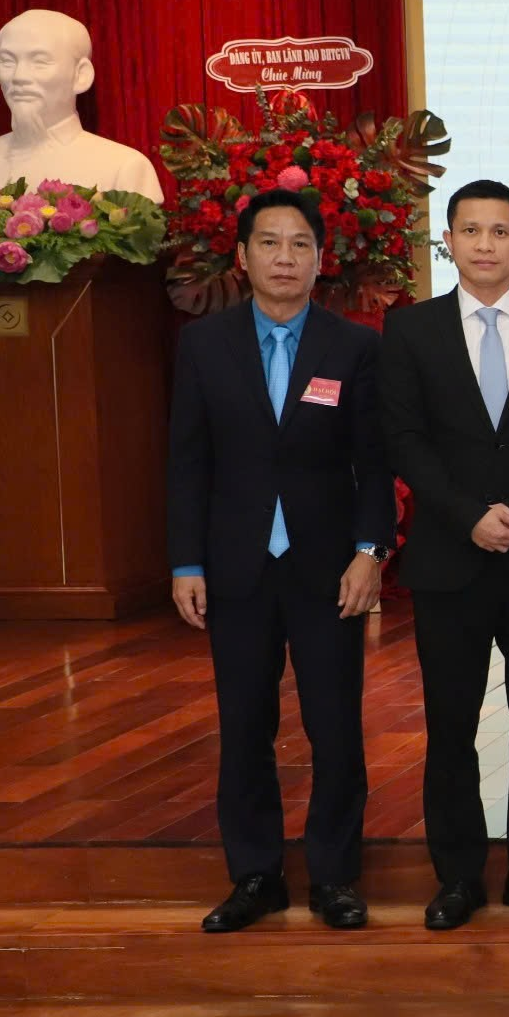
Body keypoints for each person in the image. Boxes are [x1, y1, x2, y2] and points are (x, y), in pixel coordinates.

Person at [167, 189, 393, 933]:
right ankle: (256, 874)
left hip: (328, 569)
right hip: (236, 567)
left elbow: (374, 462)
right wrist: (185, 561)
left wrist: (370, 551)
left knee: (335, 727)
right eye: (270, 243)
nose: (285, 258)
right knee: (243, 727)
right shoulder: (204, 346)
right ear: (242, 256)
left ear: (321, 260)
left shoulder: (353, 347)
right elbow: (187, 462)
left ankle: (334, 876)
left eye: (301, 245)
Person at [379, 179, 509, 930]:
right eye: (470, 230)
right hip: (449, 558)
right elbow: (404, 439)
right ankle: (458, 877)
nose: (485, 244)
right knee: (451, 724)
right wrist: (468, 516)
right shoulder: (411, 330)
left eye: (500, 232)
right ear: (448, 242)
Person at [0, 9, 163, 199]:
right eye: (7, 61)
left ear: (81, 75)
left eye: (40, 62)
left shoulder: (124, 169)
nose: (19, 77)